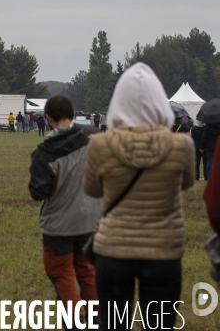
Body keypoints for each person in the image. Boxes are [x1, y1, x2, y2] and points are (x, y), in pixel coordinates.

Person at [83, 63, 195, 331]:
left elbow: (93, 190)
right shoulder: (181, 145)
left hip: (113, 250)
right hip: (163, 250)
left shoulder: (101, 144)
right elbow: (187, 183)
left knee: (112, 325)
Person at [29, 95, 101, 329]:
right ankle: (97, 321)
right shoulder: (93, 136)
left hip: (58, 225)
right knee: (88, 273)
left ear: (48, 118)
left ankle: (73, 323)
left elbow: (38, 191)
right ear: (72, 114)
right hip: (90, 219)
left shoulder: (44, 151)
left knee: (62, 276)